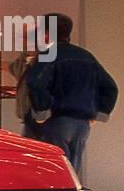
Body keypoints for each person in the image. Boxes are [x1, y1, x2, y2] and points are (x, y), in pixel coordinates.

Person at [26, 13, 118, 179]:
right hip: (82, 124)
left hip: (56, 122)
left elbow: (36, 83)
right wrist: (99, 115)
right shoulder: (86, 56)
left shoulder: (48, 55)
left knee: (53, 170)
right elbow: (111, 87)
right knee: (72, 172)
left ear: (47, 33)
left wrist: (41, 114)